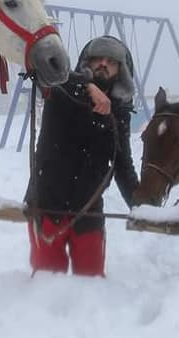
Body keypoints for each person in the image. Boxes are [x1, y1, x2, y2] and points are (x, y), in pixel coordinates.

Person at [24, 35, 140, 277]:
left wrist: (142, 206)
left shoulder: (120, 113)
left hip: (89, 209)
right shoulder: (63, 91)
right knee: (47, 287)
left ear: (121, 70)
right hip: (47, 205)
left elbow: (122, 165)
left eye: (111, 61)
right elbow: (48, 73)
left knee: (91, 285)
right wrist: (87, 86)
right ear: (87, 61)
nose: (103, 64)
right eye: (98, 58)